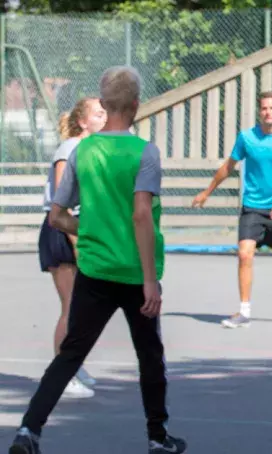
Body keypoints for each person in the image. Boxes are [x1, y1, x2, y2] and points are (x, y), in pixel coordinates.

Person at [10, 66, 187, 454]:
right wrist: (150, 279)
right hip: (133, 271)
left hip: (94, 270)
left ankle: (28, 431)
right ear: (136, 105)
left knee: (71, 354)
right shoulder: (144, 152)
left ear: (104, 104)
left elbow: (57, 216)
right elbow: (141, 214)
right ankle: (158, 437)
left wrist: (90, 230)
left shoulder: (82, 150)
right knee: (150, 356)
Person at [192, 91, 272, 328]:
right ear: (260, 111)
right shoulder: (246, 138)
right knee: (244, 254)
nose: (268, 112)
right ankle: (244, 312)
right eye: (264, 108)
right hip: (253, 208)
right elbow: (228, 167)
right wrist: (207, 191)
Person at [38, 97, 107, 399]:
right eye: (98, 113)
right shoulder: (70, 149)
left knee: (82, 308)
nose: (104, 117)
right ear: (83, 122)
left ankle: (73, 365)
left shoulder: (94, 150)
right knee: (70, 307)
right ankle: (61, 378)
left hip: (80, 228)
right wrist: (78, 243)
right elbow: (61, 202)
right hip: (62, 229)